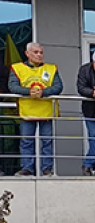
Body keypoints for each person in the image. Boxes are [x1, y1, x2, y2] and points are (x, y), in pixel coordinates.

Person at [9, 42, 63, 176]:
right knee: (27, 141)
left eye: (41, 52)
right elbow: (12, 86)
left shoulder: (51, 69)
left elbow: (58, 87)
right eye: (36, 52)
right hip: (27, 111)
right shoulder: (17, 68)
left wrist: (43, 93)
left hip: (46, 111)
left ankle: (47, 169)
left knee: (47, 142)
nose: (39, 55)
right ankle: (27, 169)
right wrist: (29, 92)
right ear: (27, 54)